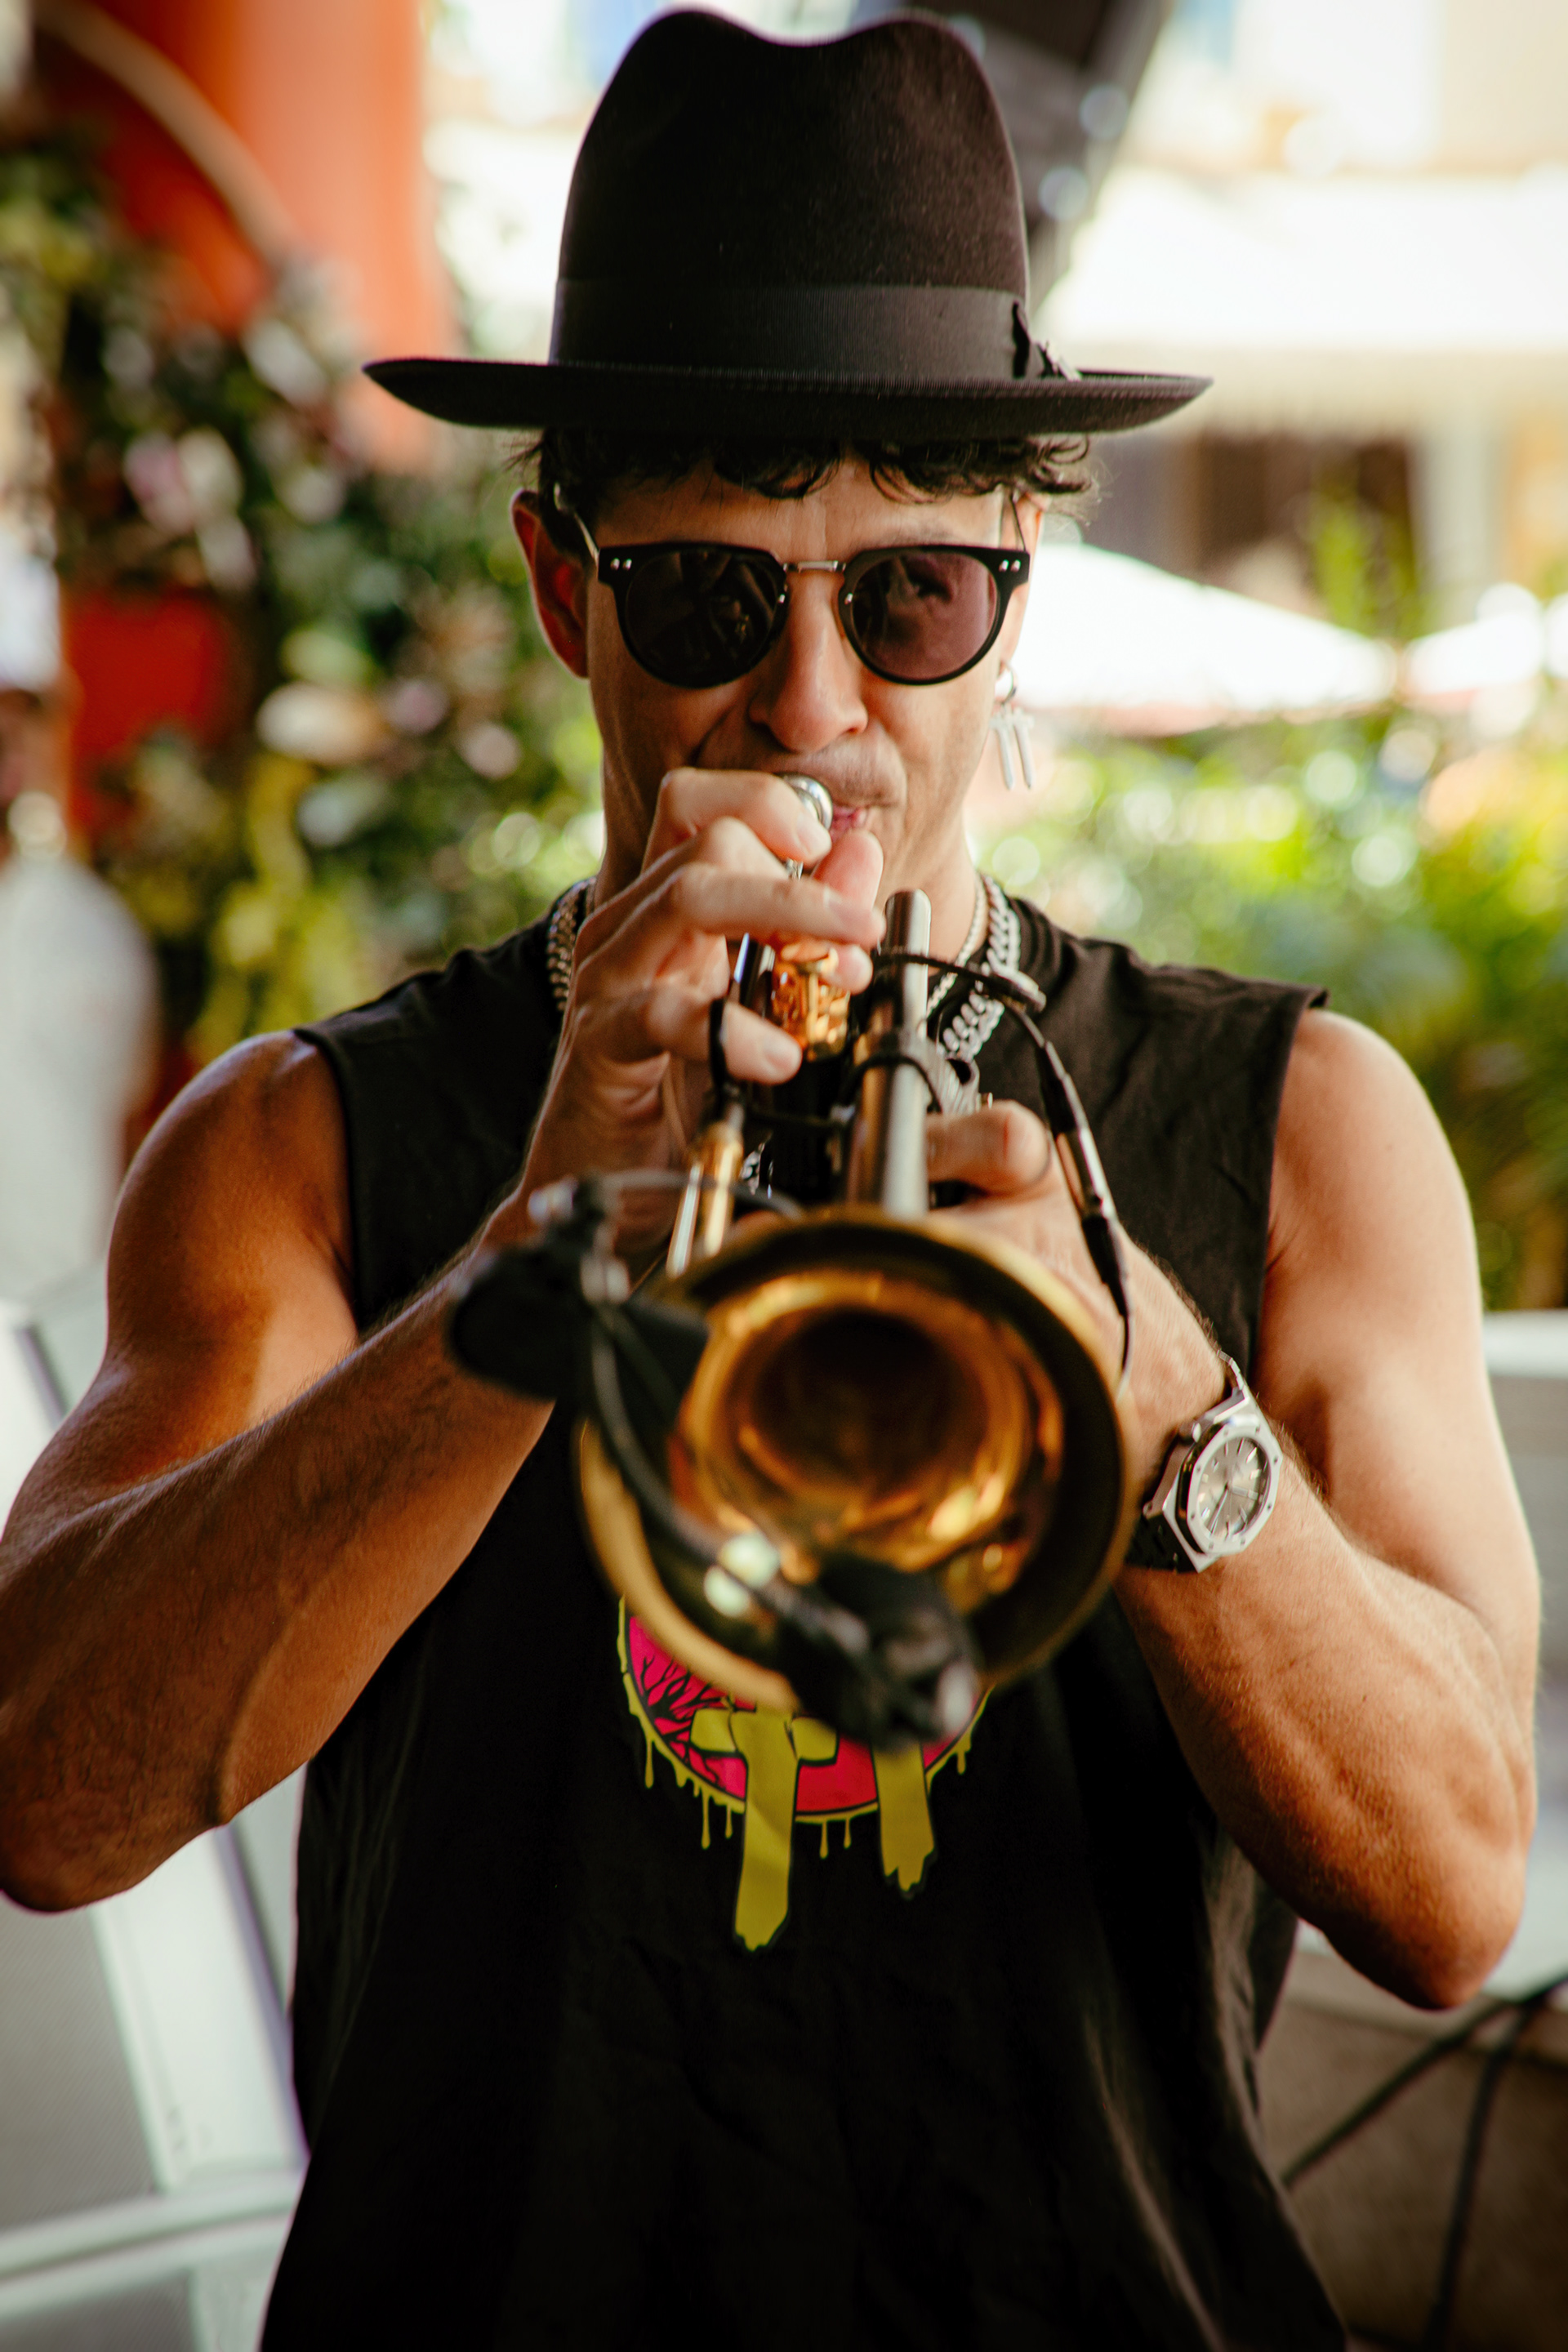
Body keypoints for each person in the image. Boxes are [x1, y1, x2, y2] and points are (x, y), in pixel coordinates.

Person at [0, 16, 1539, 2348]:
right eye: (714, 599)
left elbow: (1448, 1894)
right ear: (561, 587)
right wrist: (527, 1265)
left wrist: (1145, 1395)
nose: (811, 709)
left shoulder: (1300, 1125)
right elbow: (49, 1796)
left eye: (909, 599)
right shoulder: (308, 1146)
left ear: (1023, 576)